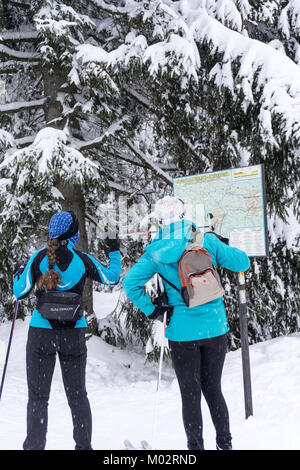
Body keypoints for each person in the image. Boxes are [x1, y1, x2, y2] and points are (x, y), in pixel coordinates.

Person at [123, 196, 250, 450]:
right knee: (213, 389)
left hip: (181, 333)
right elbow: (243, 262)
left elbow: (130, 285)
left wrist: (154, 311)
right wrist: (222, 245)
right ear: (183, 216)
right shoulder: (206, 240)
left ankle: (195, 448)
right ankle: (225, 445)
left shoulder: (156, 253)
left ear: (160, 221)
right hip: (215, 328)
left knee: (190, 395)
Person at [13, 210, 121, 450]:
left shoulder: (39, 258)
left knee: (38, 399)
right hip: (73, 333)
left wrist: (18, 272)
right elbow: (112, 277)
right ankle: (84, 446)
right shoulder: (83, 260)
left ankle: (34, 446)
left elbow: (20, 292)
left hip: (41, 333)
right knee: (78, 396)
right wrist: (113, 249)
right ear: (74, 235)